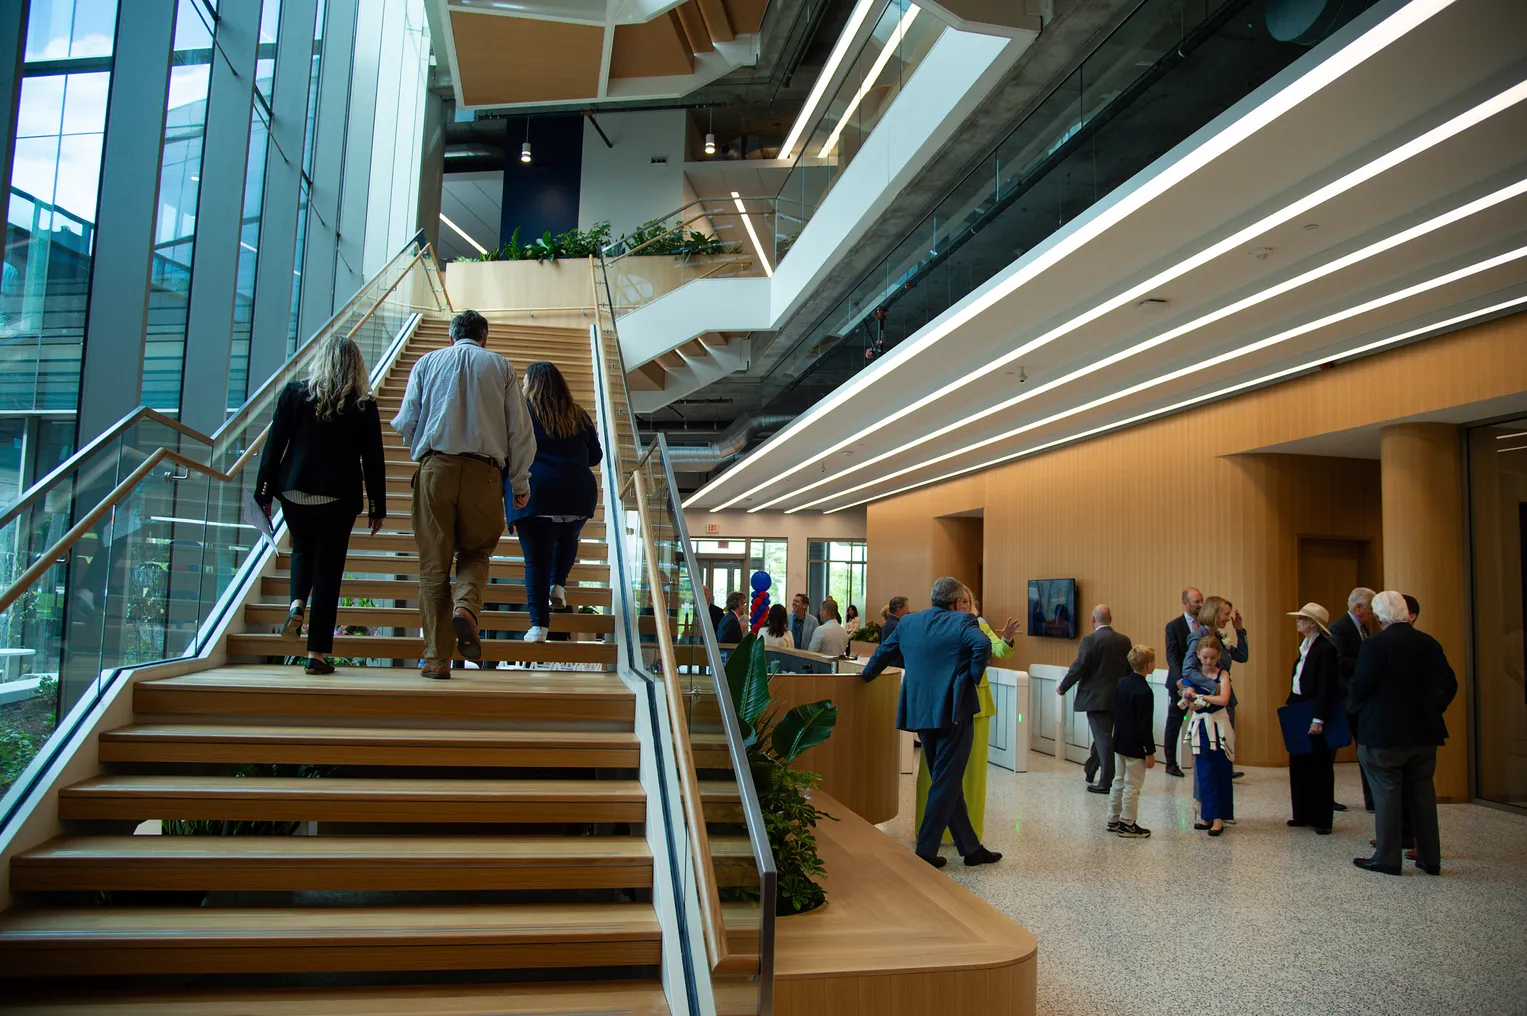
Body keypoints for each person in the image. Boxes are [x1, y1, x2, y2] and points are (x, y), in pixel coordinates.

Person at [391, 309, 535, 678]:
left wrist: (426, 447)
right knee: (475, 551)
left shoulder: (426, 363)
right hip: (485, 474)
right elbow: (519, 431)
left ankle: (437, 660)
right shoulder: (500, 366)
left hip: (436, 469)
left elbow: (406, 422)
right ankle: (465, 608)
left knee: (433, 567)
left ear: (451, 337)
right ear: (485, 338)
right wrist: (519, 483)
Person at [255, 336, 386, 675]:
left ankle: (297, 603)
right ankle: (316, 655)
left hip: (295, 490)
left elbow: (273, 447)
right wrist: (377, 506)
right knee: (328, 570)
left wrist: (264, 493)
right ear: (356, 366)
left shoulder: (294, 394)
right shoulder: (363, 405)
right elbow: (373, 460)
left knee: (301, 550)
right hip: (337, 496)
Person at [861, 577, 1002, 869]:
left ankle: (971, 850)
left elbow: (883, 652)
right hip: (954, 712)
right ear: (955, 602)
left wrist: (866, 677)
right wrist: (971, 677)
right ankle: (926, 850)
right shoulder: (964, 622)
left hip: (921, 712)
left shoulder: (908, 623)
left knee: (945, 779)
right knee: (946, 780)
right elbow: (983, 647)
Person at [1349, 590, 1457, 876]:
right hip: (1424, 732)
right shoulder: (1428, 643)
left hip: (1383, 733)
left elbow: (1359, 687)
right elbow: (1449, 683)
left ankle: (1387, 857)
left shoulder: (1374, 645)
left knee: (1386, 792)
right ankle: (1430, 858)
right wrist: (1432, 710)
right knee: (1423, 792)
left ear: (1379, 615)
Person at [508, 361, 602, 643]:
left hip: (537, 492)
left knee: (536, 561)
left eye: (525, 381)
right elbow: (595, 457)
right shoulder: (578, 414)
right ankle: (558, 584)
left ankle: (539, 626)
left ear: (532, 384)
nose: (522, 386)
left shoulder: (522, 412)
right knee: (568, 534)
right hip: (578, 492)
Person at [914, 595, 1018, 842]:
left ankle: (966, 835)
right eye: (958, 601)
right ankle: (931, 831)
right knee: (934, 771)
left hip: (976, 706)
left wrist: (1008, 638)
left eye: (966, 601)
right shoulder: (934, 626)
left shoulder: (978, 626)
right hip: (941, 703)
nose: (961, 605)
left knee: (972, 772)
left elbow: (1000, 650)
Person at [1057, 604, 1132, 794]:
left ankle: (1107, 781)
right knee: (1104, 736)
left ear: (1093, 619)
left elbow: (1080, 666)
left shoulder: (1090, 640)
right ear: (1111, 619)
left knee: (1103, 739)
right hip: (1117, 697)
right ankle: (1090, 768)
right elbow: (1129, 670)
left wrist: (1063, 686)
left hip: (1095, 698)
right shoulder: (1124, 641)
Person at [1284, 602, 1341, 835]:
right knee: (1299, 761)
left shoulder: (1325, 648)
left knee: (1319, 765)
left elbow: (1326, 685)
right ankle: (1303, 813)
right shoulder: (1305, 645)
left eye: (1301, 618)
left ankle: (1322, 818)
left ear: (1312, 623)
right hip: (1299, 705)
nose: (1297, 621)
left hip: (1314, 708)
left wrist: (1319, 718)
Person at [1184, 595, 1249, 780]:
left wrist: (1240, 632)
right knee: (1210, 747)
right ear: (1214, 613)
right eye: (1226, 614)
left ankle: (1224, 773)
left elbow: (1242, 657)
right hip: (1207, 702)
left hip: (1226, 701)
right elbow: (1187, 669)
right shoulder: (1197, 637)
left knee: (1226, 742)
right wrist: (1214, 686)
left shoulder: (1220, 637)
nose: (1228, 619)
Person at [1182, 637, 1234, 835]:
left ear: (1218, 656)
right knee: (1204, 771)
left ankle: (1219, 817)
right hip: (1201, 727)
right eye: (1205, 657)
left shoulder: (1223, 674)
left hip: (1219, 726)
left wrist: (1200, 697)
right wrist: (1191, 697)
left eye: (1212, 658)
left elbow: (1223, 699)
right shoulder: (1194, 676)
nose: (1208, 661)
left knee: (1220, 769)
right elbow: (1192, 704)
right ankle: (1206, 814)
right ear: (1198, 656)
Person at [1329, 586, 1375, 809]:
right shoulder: (1340, 628)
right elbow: (1338, 662)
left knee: (1366, 747)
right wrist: (1368, 664)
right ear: (1358, 607)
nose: (1373, 614)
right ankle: (1326, 798)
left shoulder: (1364, 628)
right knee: (1332, 749)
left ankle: (1373, 799)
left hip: (1359, 698)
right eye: (1370, 608)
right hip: (1344, 697)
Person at [1108, 645, 1157, 839]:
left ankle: (1113, 819)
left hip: (1119, 741)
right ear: (1149, 665)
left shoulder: (1122, 683)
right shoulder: (1145, 691)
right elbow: (1145, 726)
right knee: (1133, 785)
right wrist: (1149, 751)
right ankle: (1128, 823)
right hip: (1136, 745)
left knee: (1118, 781)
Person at [1162, 587, 1203, 778]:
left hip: (1202, 682)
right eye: (1196, 601)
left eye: (1201, 601)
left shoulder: (1205, 625)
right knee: (1175, 722)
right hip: (1180, 682)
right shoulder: (1174, 626)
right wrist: (1181, 680)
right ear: (1185, 603)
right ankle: (1170, 763)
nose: (1200, 605)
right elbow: (1172, 655)